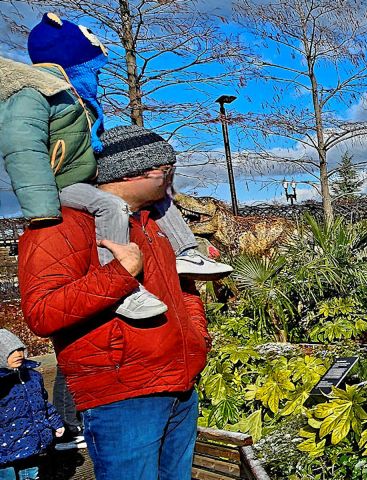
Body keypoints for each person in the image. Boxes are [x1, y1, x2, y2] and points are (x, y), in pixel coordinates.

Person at [0, 12, 231, 321]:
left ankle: (186, 252)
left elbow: (88, 146)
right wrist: (42, 208)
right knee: (111, 206)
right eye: (90, 68)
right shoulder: (36, 96)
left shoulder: (77, 100)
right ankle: (125, 288)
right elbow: (23, 147)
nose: (96, 76)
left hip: (173, 364)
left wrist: (195, 329)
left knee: (159, 199)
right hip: (59, 187)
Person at [18, 125, 211, 480]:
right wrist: (121, 273)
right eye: (166, 170)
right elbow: (42, 312)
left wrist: (198, 336)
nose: (171, 179)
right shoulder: (59, 225)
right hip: (122, 397)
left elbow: (182, 288)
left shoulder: (154, 224)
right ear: (132, 172)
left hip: (181, 387)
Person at [0, 329, 65, 480]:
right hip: (4, 448)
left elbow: (42, 403)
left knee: (31, 475)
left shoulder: (33, 377)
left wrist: (55, 422)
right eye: (10, 351)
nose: (18, 354)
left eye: (20, 349)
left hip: (30, 443)